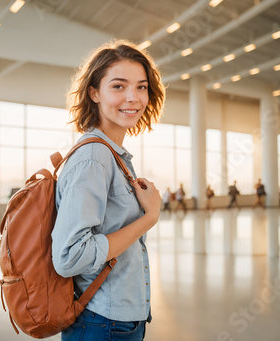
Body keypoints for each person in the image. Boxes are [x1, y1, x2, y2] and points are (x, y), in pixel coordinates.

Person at [51, 40, 164, 341]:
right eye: (118, 86)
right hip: (101, 324)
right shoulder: (94, 157)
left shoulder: (113, 154)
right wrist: (149, 217)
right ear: (94, 92)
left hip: (118, 320)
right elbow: (70, 256)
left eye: (141, 87)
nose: (133, 97)